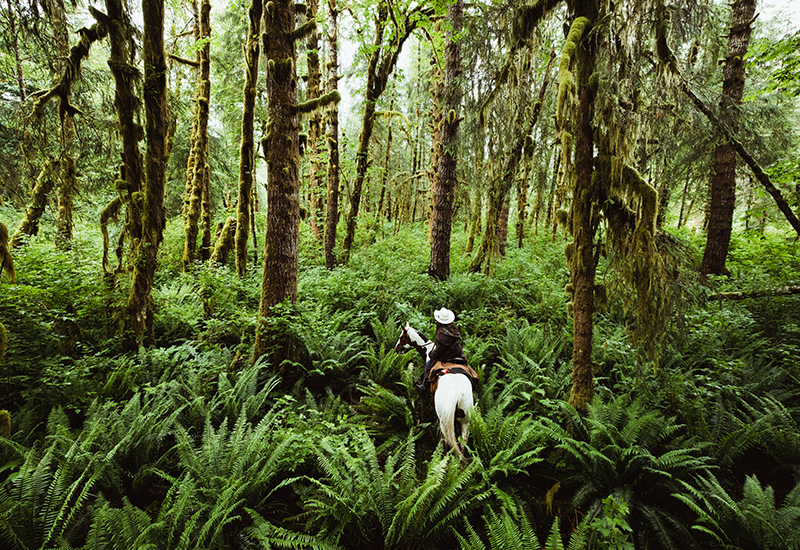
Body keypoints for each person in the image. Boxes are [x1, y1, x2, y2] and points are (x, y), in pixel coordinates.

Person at [418, 308, 469, 393]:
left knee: (428, 363)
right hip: (458, 355)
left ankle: (424, 384)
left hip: (445, 357)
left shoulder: (441, 332)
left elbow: (438, 351)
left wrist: (431, 354)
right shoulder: (455, 330)